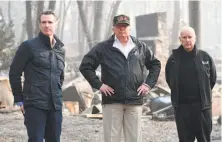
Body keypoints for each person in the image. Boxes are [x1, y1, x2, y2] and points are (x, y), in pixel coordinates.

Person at [79, 14, 161, 142]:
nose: (122, 29)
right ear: (114, 29)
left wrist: (148, 84)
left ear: (130, 28)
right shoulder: (103, 47)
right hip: (112, 100)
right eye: (119, 26)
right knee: (112, 139)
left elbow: (155, 64)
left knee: (134, 139)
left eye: (125, 26)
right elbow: (85, 66)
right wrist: (99, 85)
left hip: (134, 100)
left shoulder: (140, 47)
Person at [9, 10, 65, 142]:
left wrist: (57, 94)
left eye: (50, 22)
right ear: (39, 24)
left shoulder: (60, 49)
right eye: (43, 22)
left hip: (55, 105)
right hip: (34, 104)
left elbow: (60, 76)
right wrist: (19, 99)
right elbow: (14, 73)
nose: (47, 25)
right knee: (36, 139)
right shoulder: (28, 46)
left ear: (56, 23)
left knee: (55, 139)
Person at [165, 26, 217, 142]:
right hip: (182, 109)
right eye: (184, 37)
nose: (187, 40)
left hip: (202, 108)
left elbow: (212, 80)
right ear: (180, 39)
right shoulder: (173, 60)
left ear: (195, 38)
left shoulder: (205, 57)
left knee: (204, 139)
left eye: (190, 37)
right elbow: (170, 80)